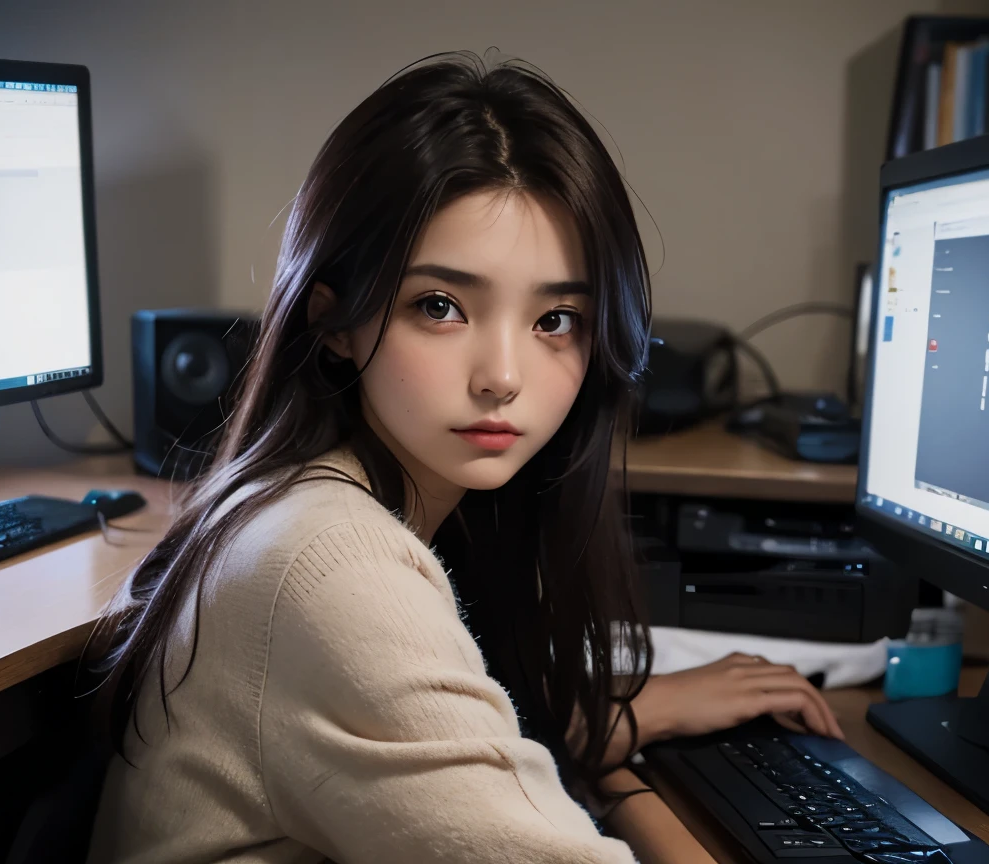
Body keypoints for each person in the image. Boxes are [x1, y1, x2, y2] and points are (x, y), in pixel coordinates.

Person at [85, 53, 842, 864]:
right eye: (440, 307)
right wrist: (622, 785)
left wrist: (612, 727)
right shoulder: (337, 565)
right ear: (334, 323)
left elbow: (429, 742)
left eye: (556, 319)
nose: (504, 378)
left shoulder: (329, 504)